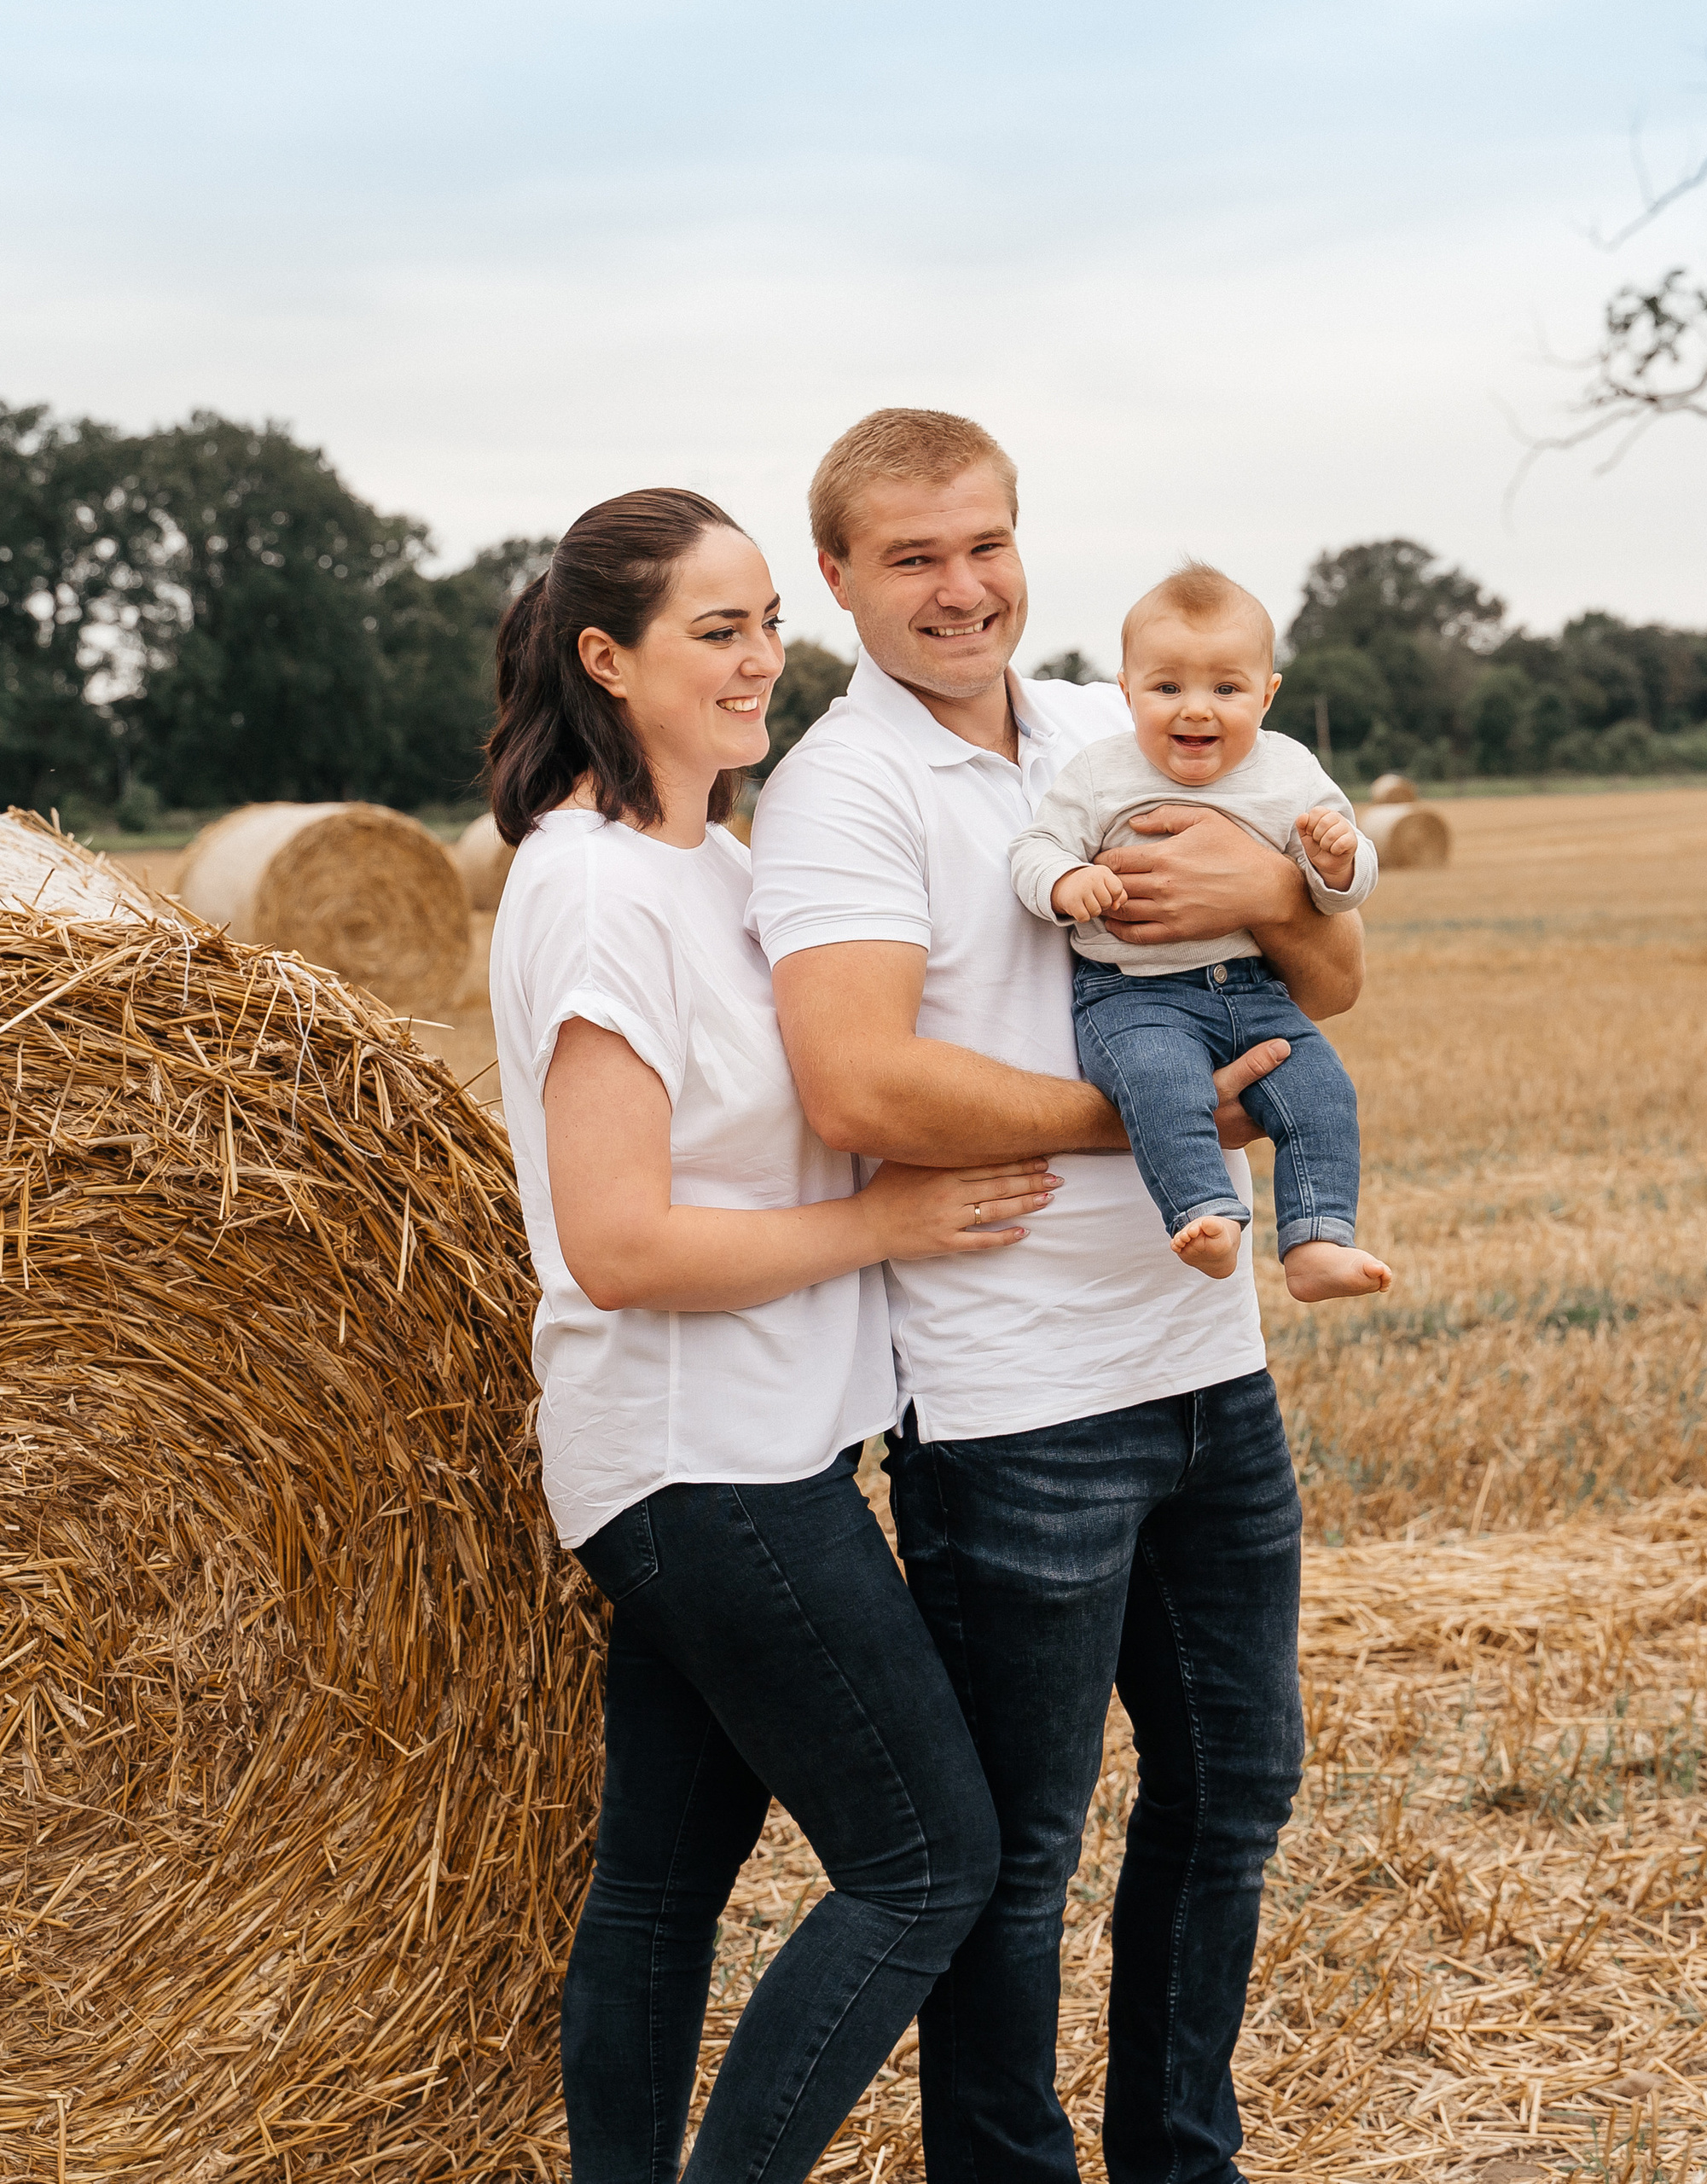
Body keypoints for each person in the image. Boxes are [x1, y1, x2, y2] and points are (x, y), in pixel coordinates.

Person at [746, 411, 1367, 2184]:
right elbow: (856, 1086)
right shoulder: (842, 790)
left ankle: (1182, 2156)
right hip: (1011, 1396)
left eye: (984, 543)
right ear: (840, 580)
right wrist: (1160, 1119)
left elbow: (1322, 976)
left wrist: (1273, 889)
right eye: (913, 556)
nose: (961, 587)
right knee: (1019, 1851)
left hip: (1205, 1355)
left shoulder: (1125, 721)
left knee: (1230, 1794)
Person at [484, 485, 1060, 2184]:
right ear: (609, 657)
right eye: (713, 630)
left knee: (663, 1879)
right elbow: (618, 1239)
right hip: (701, 1459)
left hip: (750, 1437)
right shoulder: (591, 893)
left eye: (765, 625)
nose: (758, 662)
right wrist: (878, 1225)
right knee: (928, 1858)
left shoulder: (717, 866)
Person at [1010, 559, 1391, 1298]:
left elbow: (1341, 894)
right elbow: (1034, 849)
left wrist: (1336, 864)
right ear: (1127, 691)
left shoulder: (1291, 772)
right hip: (1134, 995)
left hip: (1257, 993)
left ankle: (1316, 1241)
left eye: (1226, 688)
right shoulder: (1099, 774)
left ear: (1267, 693)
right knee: (1161, 1083)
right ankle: (1207, 1214)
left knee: (1323, 1093)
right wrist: (1067, 881)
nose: (1196, 710)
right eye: (1166, 687)